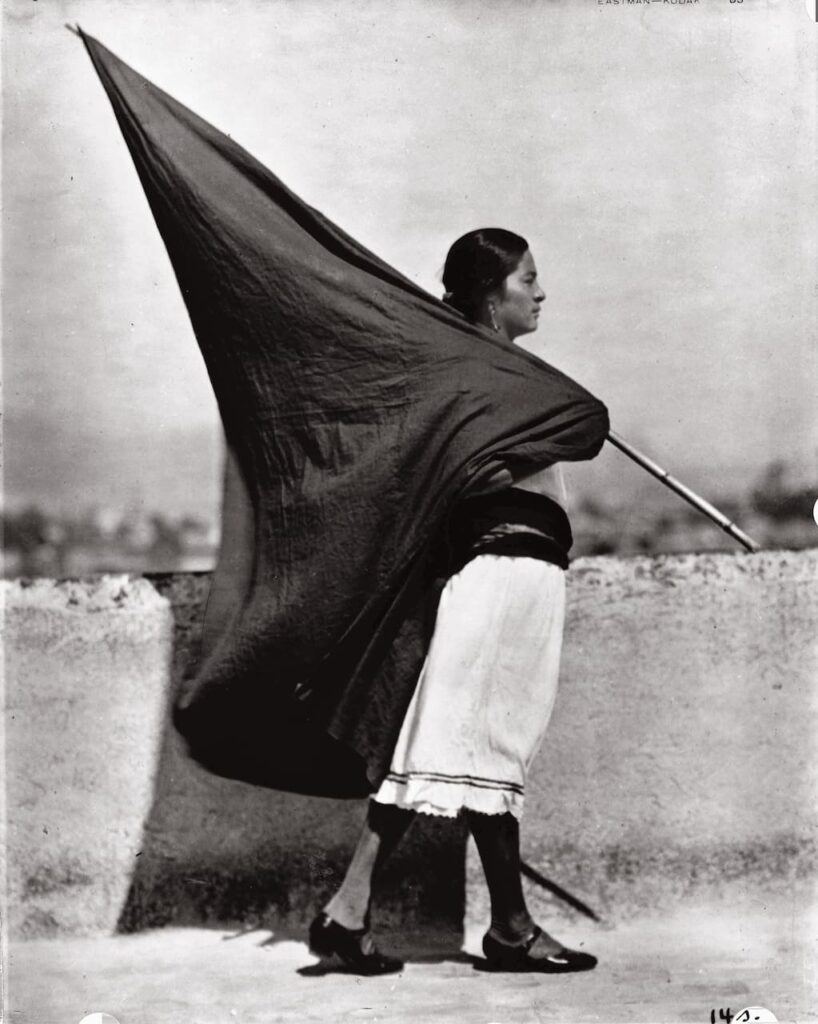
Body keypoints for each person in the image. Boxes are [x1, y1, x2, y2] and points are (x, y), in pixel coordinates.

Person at [308, 229, 600, 976]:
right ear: (490, 296)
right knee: (464, 747)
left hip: (519, 575)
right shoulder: (480, 378)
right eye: (527, 280)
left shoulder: (497, 374)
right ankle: (487, 927)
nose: (540, 292)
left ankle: (451, 921)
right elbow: (581, 427)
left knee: (458, 750)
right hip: (499, 575)